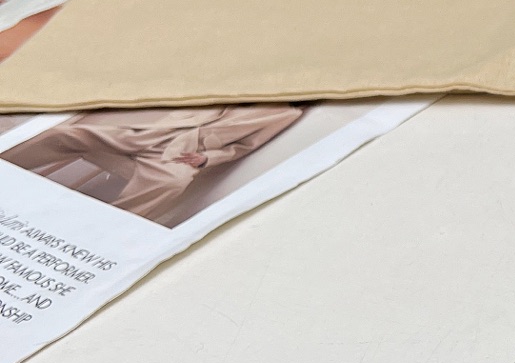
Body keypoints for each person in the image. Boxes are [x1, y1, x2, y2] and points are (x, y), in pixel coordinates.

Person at [3, 103, 303, 222]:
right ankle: (8, 164)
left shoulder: (285, 113)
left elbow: (245, 145)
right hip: (148, 132)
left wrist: (207, 158)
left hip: (182, 153)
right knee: (69, 134)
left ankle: (111, 223)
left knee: (172, 182)